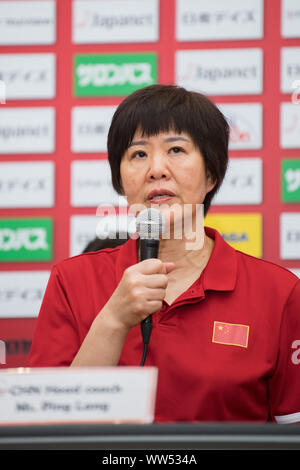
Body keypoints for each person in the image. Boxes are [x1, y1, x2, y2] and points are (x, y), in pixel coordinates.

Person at [28, 84, 300, 424]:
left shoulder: (279, 292)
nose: (156, 169)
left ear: (212, 173)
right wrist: (113, 320)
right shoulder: (71, 281)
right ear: (121, 181)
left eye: (176, 150)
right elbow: (44, 428)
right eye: (138, 154)